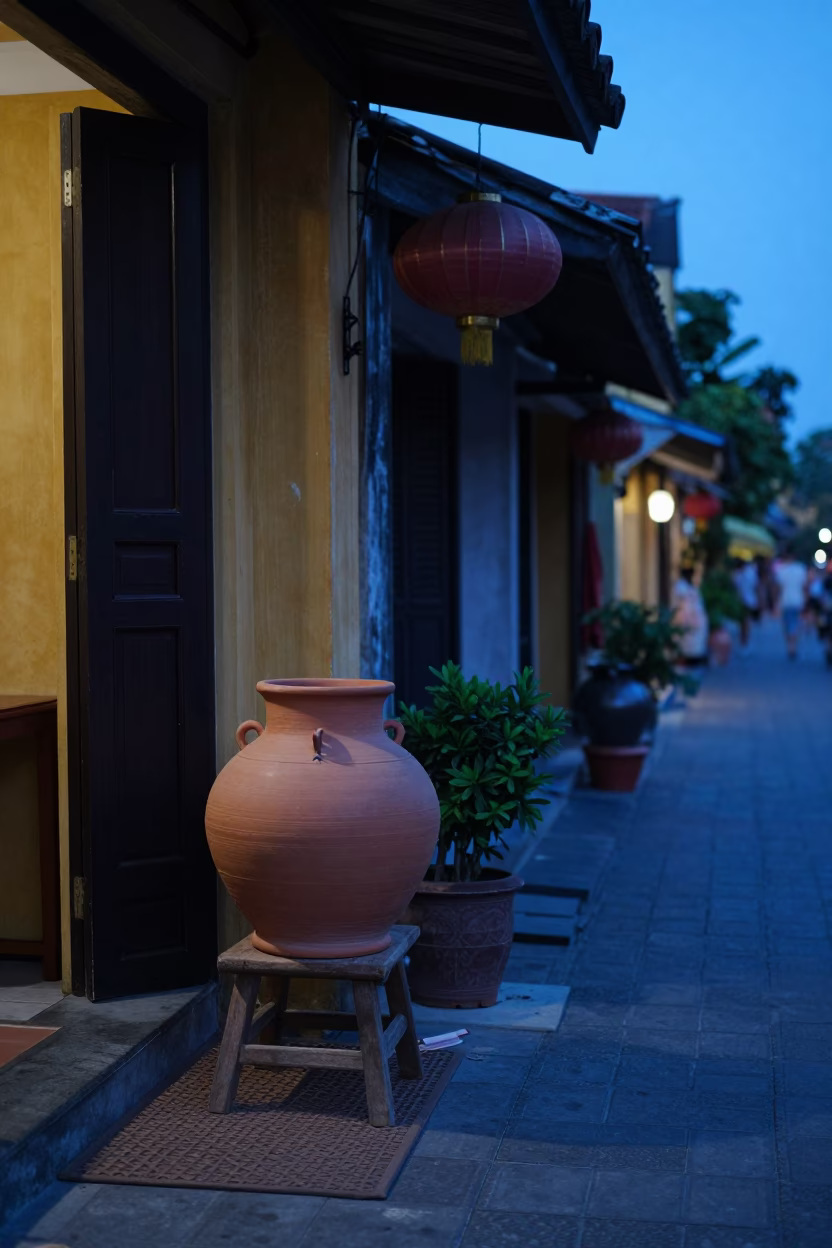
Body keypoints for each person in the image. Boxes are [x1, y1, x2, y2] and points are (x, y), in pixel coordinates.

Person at [773, 546, 808, 659]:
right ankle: (793, 646)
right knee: (795, 624)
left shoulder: (781, 570)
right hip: (798, 600)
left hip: (785, 601)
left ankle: (790, 646)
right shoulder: (801, 569)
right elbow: (805, 587)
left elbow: (778, 589)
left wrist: (775, 603)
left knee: (788, 624)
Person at [673, 564, 708, 666]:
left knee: (695, 639)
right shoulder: (681, 586)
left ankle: (694, 658)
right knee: (685, 639)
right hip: (685, 617)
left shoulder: (691, 585)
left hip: (694, 617)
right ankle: (685, 658)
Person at [733, 558, 759, 648]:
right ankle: (743, 639)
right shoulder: (737, 573)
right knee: (742, 622)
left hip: (748, 600)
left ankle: (745, 640)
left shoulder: (750, 572)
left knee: (746, 621)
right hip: (741, 601)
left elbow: (755, 586)